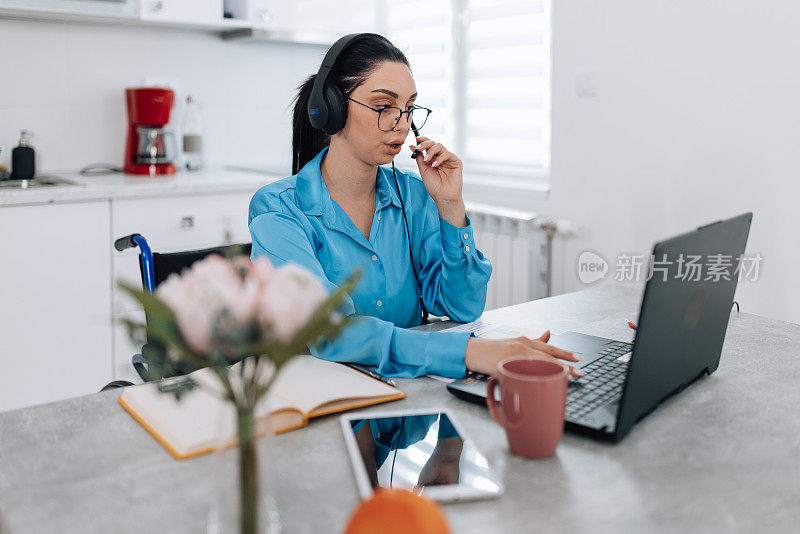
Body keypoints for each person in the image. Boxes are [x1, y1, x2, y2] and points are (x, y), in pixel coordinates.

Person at [248, 33, 582, 378]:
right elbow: (327, 331)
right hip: (326, 400)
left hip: (408, 403)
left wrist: (451, 206)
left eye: (408, 108)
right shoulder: (279, 210)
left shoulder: (413, 195)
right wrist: (466, 353)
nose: (402, 124)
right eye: (383, 107)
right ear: (330, 109)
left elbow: (461, 306)